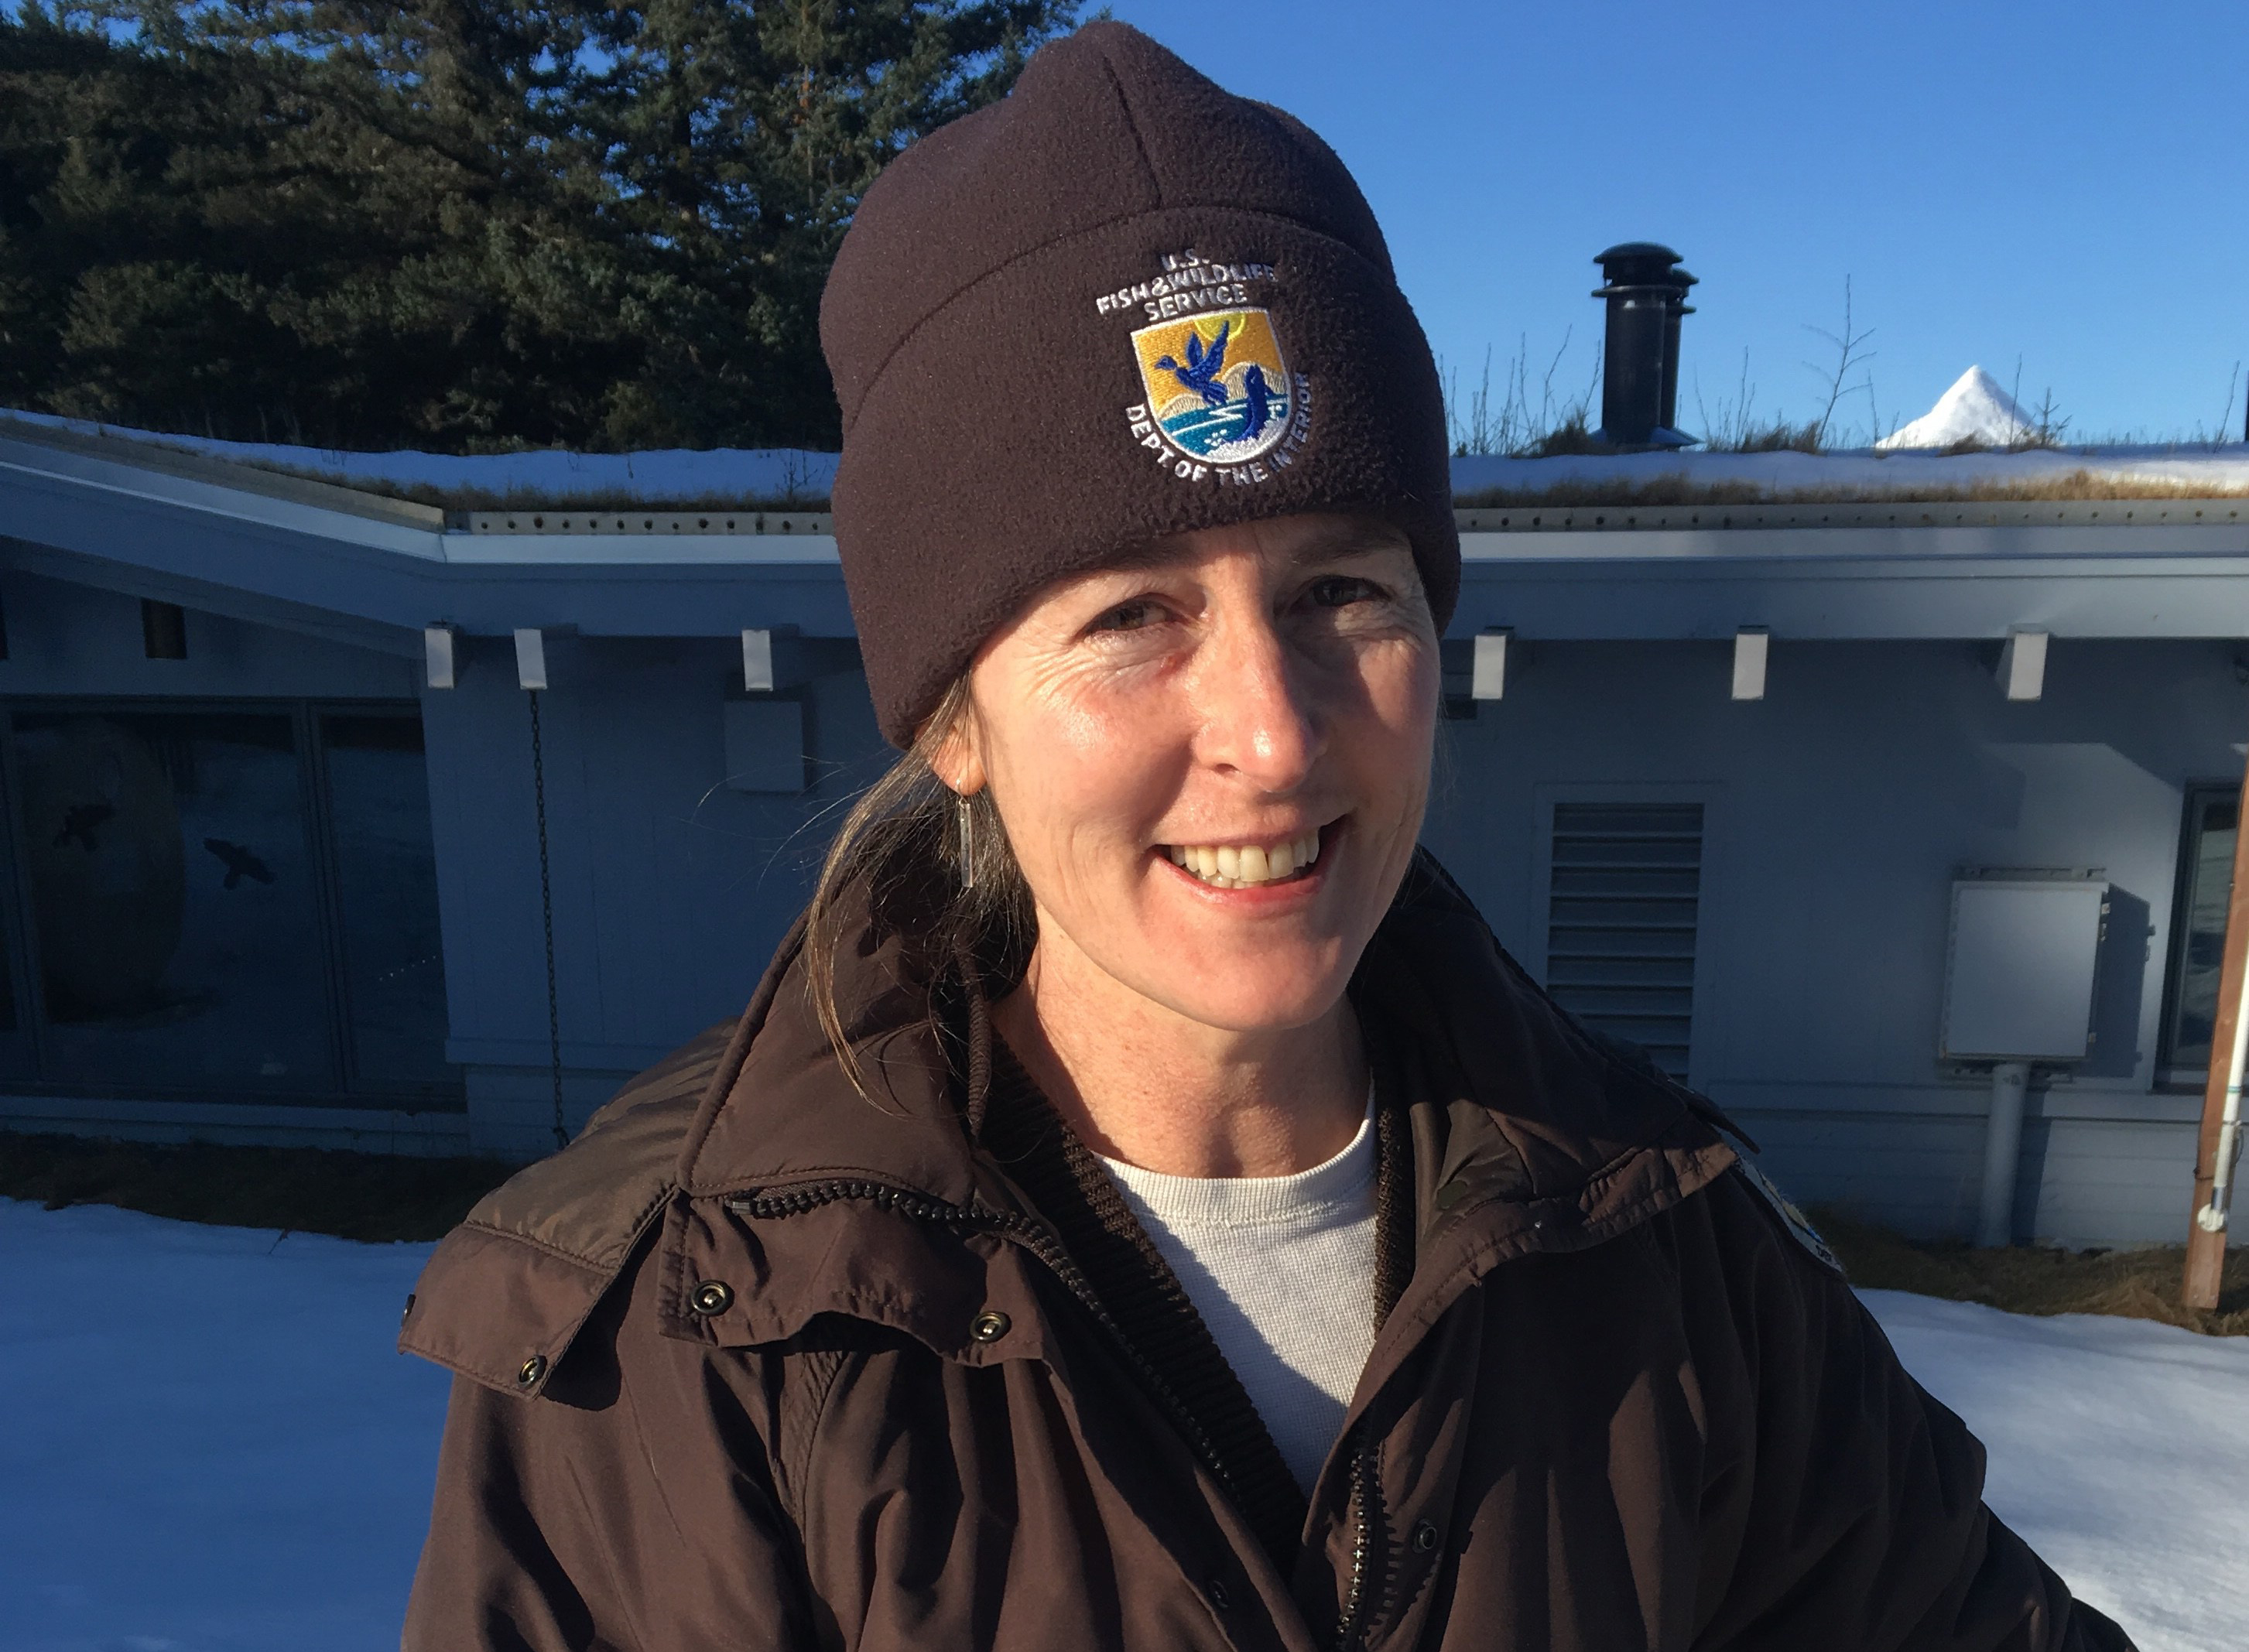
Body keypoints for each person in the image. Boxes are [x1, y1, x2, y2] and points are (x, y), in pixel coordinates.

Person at [399, 24, 2135, 1651]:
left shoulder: (1663, 1250)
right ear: (950, 720)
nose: (1275, 733)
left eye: (1341, 593)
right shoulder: (688, 1333)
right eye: (1132, 616)